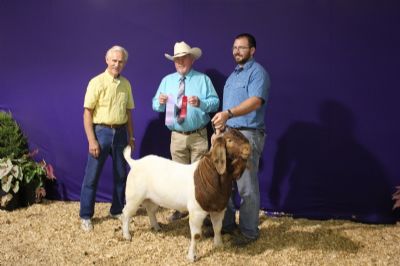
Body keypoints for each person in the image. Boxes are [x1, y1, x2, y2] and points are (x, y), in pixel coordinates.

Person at [211, 33, 270, 246]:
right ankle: (226, 225)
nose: (237, 51)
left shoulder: (257, 73)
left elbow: (255, 102)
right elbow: (230, 109)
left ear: (252, 50)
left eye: (242, 48)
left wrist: (228, 113)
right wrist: (221, 128)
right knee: (225, 184)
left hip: (247, 134)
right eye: (234, 47)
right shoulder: (234, 75)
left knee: (246, 187)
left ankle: (248, 232)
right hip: (228, 133)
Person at [152, 41, 219, 221]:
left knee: (200, 176)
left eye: (184, 58)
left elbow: (216, 103)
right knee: (178, 176)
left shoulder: (203, 80)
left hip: (198, 135)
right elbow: (155, 105)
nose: (180, 62)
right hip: (177, 136)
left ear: (191, 60)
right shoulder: (167, 81)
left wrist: (202, 103)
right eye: (177, 59)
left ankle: (200, 213)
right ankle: (181, 209)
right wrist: (161, 102)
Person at [79, 45, 135, 232]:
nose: (117, 64)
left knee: (121, 175)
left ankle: (117, 209)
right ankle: (86, 215)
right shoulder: (96, 82)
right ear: (107, 60)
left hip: (120, 134)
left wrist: (131, 136)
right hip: (101, 132)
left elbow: (128, 113)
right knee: (92, 176)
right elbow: (87, 113)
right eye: (114, 60)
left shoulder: (126, 84)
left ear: (124, 63)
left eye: (120, 61)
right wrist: (91, 140)